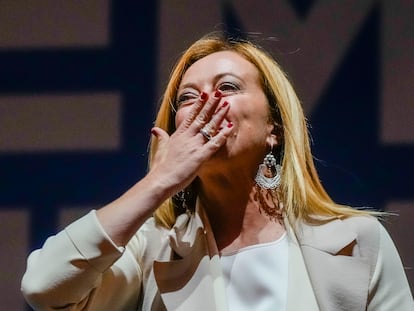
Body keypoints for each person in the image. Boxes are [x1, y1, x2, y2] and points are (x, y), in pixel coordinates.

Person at [21, 33, 413, 311]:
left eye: (228, 87)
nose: (206, 102)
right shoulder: (152, 249)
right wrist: (159, 182)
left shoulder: (355, 241)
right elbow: (43, 289)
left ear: (273, 128)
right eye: (187, 98)